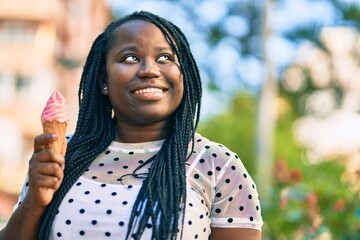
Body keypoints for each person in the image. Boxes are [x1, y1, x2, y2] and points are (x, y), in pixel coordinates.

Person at [0, 11, 263, 240]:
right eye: (130, 58)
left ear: (184, 75)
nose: (149, 69)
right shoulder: (64, 154)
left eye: (165, 58)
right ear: (103, 80)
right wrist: (35, 201)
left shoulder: (218, 165)